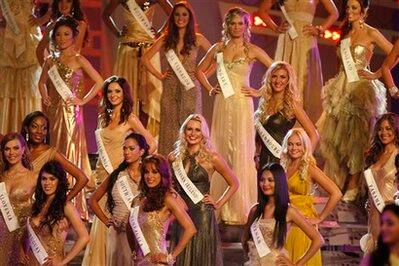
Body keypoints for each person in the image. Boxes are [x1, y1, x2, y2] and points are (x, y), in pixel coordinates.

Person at [197, 7, 273, 225]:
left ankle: (241, 207)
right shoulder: (218, 48)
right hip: (223, 104)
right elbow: (200, 70)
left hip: (242, 104)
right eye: (233, 23)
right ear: (227, 26)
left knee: (241, 151)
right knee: (220, 149)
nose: (236, 27)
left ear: (246, 26)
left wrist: (259, 91)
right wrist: (210, 88)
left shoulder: (252, 50)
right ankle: (219, 205)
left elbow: (277, 69)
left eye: (241, 23)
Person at [316, 0, 392, 202]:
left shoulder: (371, 32)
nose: (349, 12)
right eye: (348, 8)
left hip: (360, 89)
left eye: (354, 8)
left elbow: (394, 52)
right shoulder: (345, 33)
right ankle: (337, 182)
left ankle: (353, 185)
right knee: (337, 140)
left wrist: (377, 73)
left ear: (364, 11)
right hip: (341, 88)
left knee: (356, 141)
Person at [82, 76, 156, 266]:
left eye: (117, 91)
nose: (113, 95)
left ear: (124, 94)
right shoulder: (102, 117)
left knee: (120, 221)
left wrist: (135, 164)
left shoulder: (130, 118)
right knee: (102, 222)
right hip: (102, 174)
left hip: (120, 178)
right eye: (110, 91)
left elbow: (151, 144)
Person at [38, 16, 103, 219]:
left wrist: (82, 100)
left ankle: (70, 202)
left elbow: (99, 81)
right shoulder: (50, 60)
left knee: (68, 153)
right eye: (58, 34)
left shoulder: (79, 59)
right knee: (52, 151)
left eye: (66, 34)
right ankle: (49, 197)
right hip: (52, 114)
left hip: (71, 116)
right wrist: (45, 95)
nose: (62, 37)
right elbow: (41, 83)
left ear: (74, 37)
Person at [141, 1, 211, 156]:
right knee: (169, 128)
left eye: (184, 14)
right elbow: (145, 59)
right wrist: (160, 75)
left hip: (190, 88)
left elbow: (217, 57)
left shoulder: (197, 38)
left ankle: (189, 166)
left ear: (190, 17)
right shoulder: (166, 39)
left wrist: (202, 74)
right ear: (172, 18)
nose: (181, 18)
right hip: (170, 88)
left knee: (191, 127)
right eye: (177, 14)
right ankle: (168, 168)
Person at [169, 114, 239, 265]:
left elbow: (234, 183)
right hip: (181, 213)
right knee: (182, 254)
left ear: (203, 134)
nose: (193, 133)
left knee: (201, 255)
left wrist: (218, 203)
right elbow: (169, 185)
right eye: (189, 129)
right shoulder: (174, 158)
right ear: (184, 131)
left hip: (202, 214)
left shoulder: (211, 157)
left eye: (197, 130)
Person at [257, 0, 338, 122]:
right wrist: (275, 28)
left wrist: (319, 29)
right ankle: (278, 119)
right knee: (282, 78)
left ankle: (300, 124)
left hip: (305, 40)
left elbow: (334, 13)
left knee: (303, 80)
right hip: (287, 39)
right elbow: (262, 11)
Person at [102, 0, 173, 135]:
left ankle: (147, 136)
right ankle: (126, 133)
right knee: (127, 91)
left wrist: (160, 32)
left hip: (149, 49)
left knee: (149, 94)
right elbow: (106, 14)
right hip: (128, 48)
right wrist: (117, 32)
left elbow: (172, 12)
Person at [280, 128, 342, 265]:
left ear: (304, 146)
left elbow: (336, 193)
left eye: (298, 144)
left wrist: (320, 218)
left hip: (302, 225)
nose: (293, 148)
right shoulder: (284, 166)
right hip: (286, 223)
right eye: (290, 144)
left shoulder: (309, 168)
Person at [242, 163, 323, 265]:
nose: (265, 184)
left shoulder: (289, 211)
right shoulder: (255, 210)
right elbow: (245, 239)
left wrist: (296, 264)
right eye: (262, 180)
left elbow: (318, 240)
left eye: (270, 180)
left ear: (279, 182)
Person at [89, 133, 149, 265]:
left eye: (131, 149)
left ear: (142, 151)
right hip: (117, 233)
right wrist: (105, 221)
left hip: (140, 234)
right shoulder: (117, 175)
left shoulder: (148, 176)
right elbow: (92, 200)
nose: (127, 152)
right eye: (125, 148)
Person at [126, 154, 197, 265]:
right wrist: (134, 252)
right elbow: (129, 227)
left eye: (155, 172)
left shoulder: (167, 199)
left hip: (157, 262)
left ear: (162, 174)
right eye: (146, 172)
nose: (149, 176)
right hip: (139, 262)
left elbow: (191, 229)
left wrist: (170, 257)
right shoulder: (137, 200)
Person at [20, 161, 90, 265]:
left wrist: (63, 262)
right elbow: (25, 233)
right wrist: (21, 250)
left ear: (59, 181)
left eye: (52, 179)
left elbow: (84, 237)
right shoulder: (36, 205)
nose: (47, 183)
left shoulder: (65, 206)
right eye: (44, 179)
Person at [254, 61, 318, 168]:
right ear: (269, 79)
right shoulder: (264, 102)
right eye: (274, 76)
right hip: (262, 161)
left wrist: (302, 160)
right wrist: (256, 154)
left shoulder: (292, 105)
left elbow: (314, 135)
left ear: (288, 80)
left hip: (281, 160)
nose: (278, 80)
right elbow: (258, 135)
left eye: (283, 77)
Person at [21, 111, 88, 201]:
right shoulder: (17, 150)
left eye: (44, 128)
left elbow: (82, 178)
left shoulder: (51, 153)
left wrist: (63, 201)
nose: (39, 131)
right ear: (26, 128)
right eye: (35, 126)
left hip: (37, 207)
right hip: (13, 204)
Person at [0, 0, 42, 134]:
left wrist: (42, 19)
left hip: (27, 39)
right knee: (6, 86)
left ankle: (28, 138)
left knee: (27, 87)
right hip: (6, 37)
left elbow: (55, 5)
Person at [362, 113, 399, 252]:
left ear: (396, 130)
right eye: (380, 129)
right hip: (373, 214)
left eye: (388, 128)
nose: (384, 133)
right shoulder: (374, 154)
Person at [0, 133, 35, 264]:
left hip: (19, 237)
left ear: (23, 149)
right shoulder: (0, 176)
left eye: (15, 148)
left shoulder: (33, 177)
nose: (11, 153)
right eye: (7, 149)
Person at [36, 0, 88, 65]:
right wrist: (47, 70)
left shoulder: (80, 25)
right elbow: (39, 51)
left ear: (74, 3)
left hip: (72, 71)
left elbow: (75, 51)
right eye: (60, 1)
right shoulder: (50, 26)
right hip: (54, 72)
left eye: (68, 1)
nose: (64, 4)